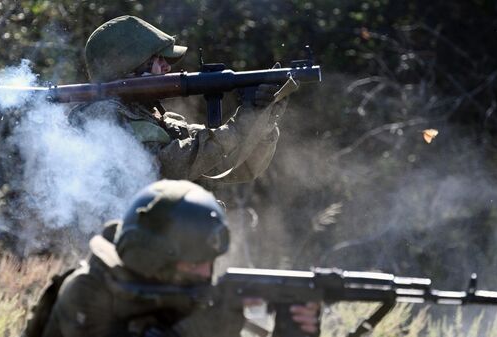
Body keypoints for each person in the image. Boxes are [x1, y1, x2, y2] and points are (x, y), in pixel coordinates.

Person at [23, 180, 319, 337]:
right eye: (193, 263)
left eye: (209, 261)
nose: (206, 274)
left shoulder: (178, 297)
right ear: (152, 260)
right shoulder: (88, 291)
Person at [69, 16, 291, 184]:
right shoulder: (99, 116)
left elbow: (232, 167)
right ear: (130, 68)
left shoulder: (160, 119)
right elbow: (166, 168)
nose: (167, 67)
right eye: (158, 60)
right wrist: (239, 125)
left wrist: (263, 122)